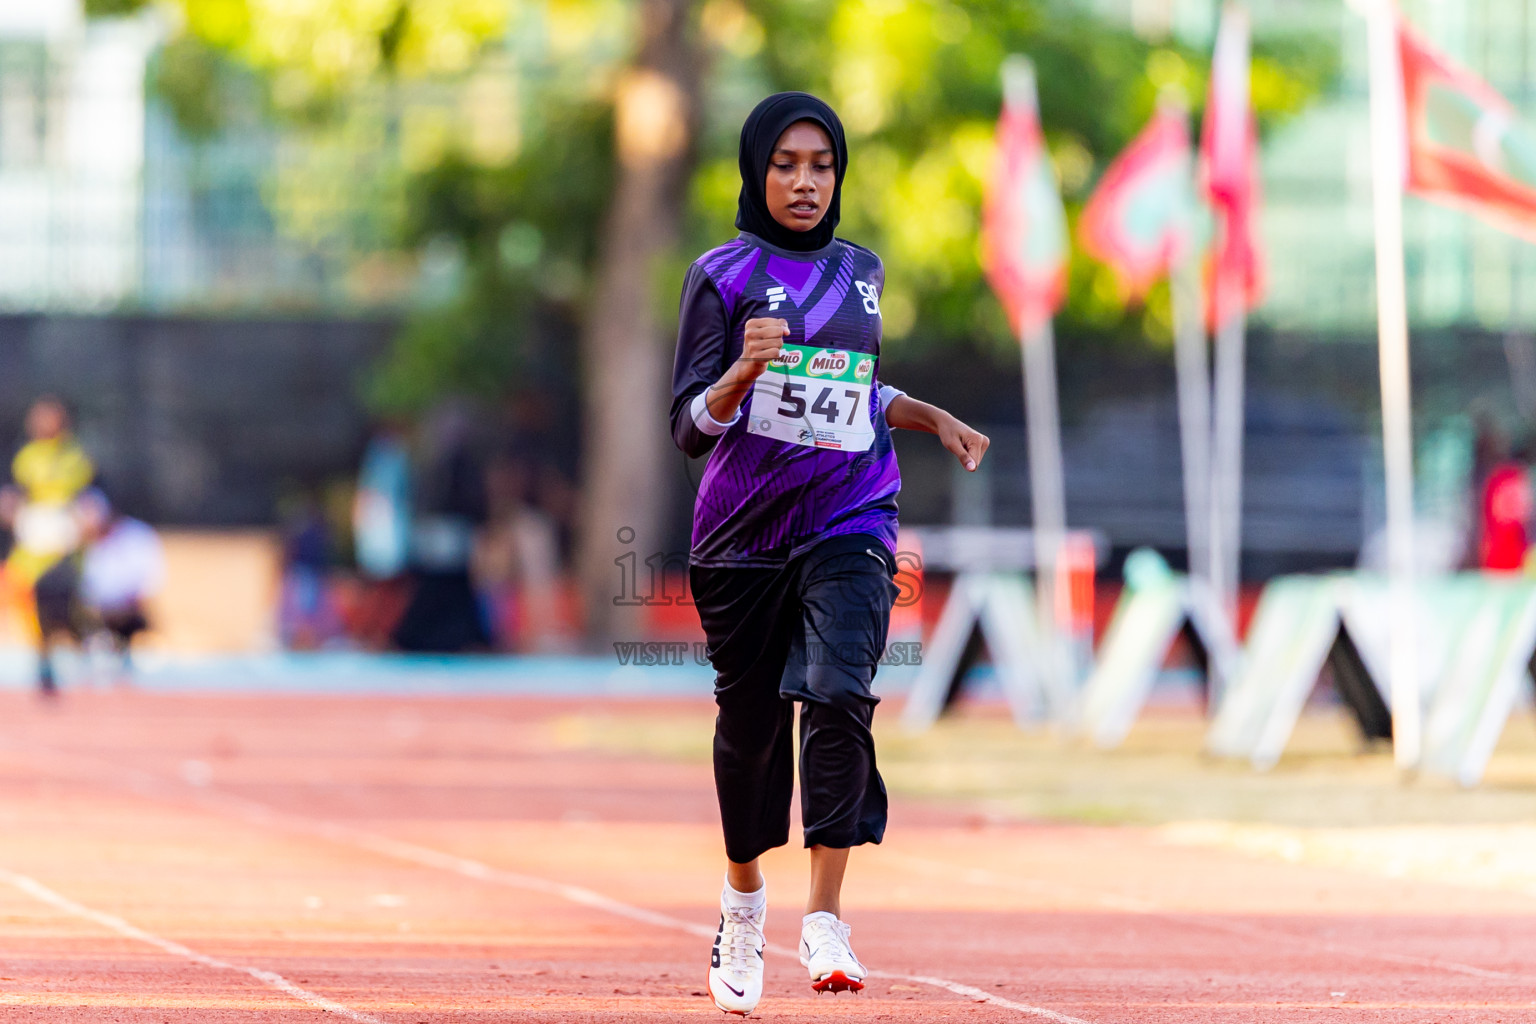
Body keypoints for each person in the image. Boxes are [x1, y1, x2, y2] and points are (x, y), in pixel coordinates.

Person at [669, 93, 990, 1015]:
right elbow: (688, 426)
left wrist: (927, 415)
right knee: (753, 723)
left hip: (851, 516)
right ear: (755, 172)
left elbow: (854, 386)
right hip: (741, 536)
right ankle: (742, 905)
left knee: (843, 689)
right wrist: (737, 372)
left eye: (821, 165)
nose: (805, 182)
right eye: (786, 165)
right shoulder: (720, 276)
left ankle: (826, 918)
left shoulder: (862, 271)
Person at [1, 397, 95, 695]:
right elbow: (14, 493)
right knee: (21, 593)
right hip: (32, 546)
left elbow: (91, 498)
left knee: (62, 606)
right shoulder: (26, 457)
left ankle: (82, 644)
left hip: (63, 547)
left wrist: (86, 518)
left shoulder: (76, 457)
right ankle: (43, 657)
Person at [77, 489, 165, 680]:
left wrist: (130, 603)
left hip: (129, 611)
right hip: (102, 613)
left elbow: (150, 580)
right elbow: (89, 587)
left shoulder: (138, 537)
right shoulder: (89, 546)